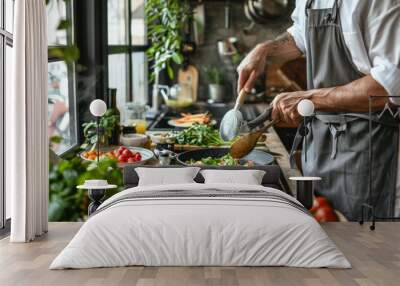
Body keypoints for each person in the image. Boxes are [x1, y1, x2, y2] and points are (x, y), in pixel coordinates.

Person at [237, 0, 400, 220]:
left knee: (365, 245)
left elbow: (389, 86)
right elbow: (299, 36)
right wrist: (266, 49)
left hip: (371, 151)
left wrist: (310, 97)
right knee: (325, 237)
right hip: (320, 147)